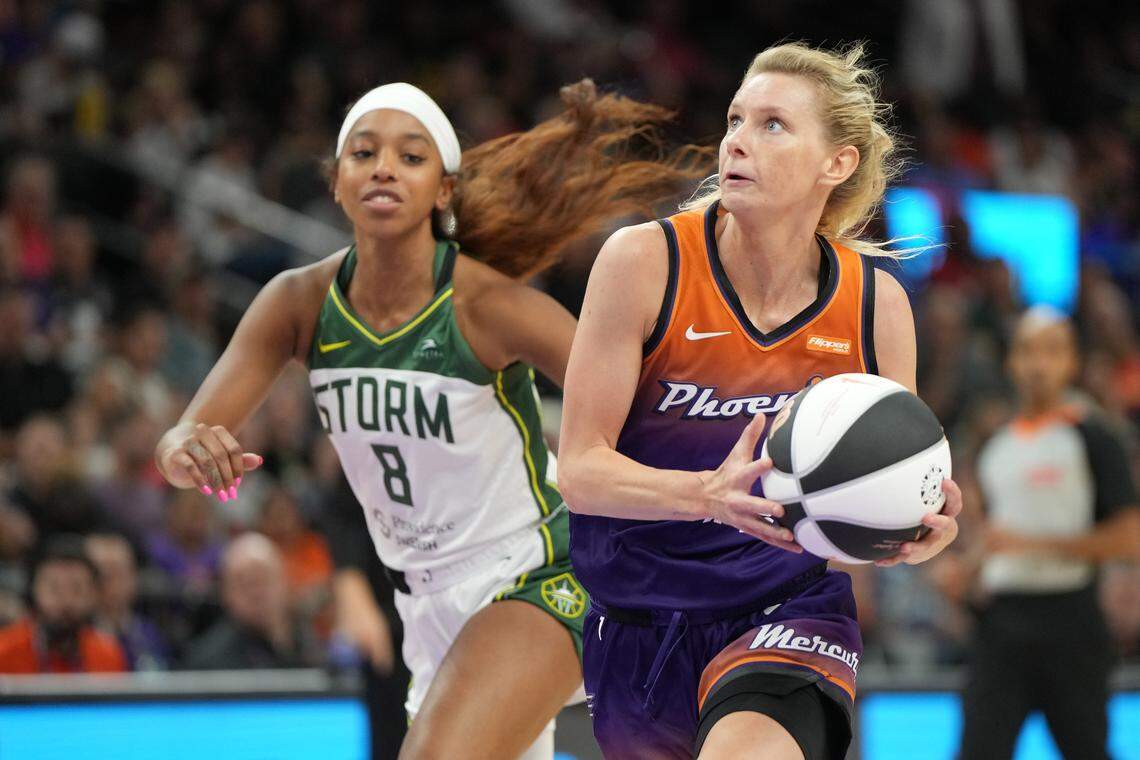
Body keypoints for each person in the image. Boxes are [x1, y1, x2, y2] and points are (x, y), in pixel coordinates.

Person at [155, 80, 705, 758]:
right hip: (423, 605)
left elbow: (649, 406)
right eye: (364, 152)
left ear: (443, 191)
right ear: (336, 182)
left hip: (540, 571)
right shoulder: (298, 303)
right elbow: (183, 434)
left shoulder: (487, 306)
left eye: (410, 157)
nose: (384, 166)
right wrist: (184, 450)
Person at [557, 42, 962, 760]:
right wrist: (706, 494)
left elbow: (888, 474)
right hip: (637, 619)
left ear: (835, 164)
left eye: (773, 124)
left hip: (787, 609)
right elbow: (581, 474)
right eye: (736, 119)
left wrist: (911, 527)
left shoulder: (875, 306)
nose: (737, 140)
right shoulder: (645, 264)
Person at [956, 307, 1140, 760]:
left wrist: (1032, 545)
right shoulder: (995, 445)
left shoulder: (1095, 436)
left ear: (1072, 361)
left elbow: (1129, 537)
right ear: (1011, 362)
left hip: (1071, 619)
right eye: (1028, 351)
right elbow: (995, 534)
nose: (1039, 364)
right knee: (978, 750)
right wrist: (968, 568)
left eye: (1053, 351)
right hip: (1001, 622)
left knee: (1086, 749)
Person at [182, 532, 318, 670]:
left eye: (264, 578)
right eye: (245, 583)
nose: (256, 593)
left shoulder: (310, 643)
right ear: (225, 593)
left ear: (285, 581)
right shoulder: (207, 664)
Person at [0, 534, 126, 673]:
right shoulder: (4, 650)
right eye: (54, 589)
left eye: (77, 589)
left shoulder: (108, 654)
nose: (66, 601)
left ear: (94, 595)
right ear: (33, 593)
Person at [85, 533, 168, 670]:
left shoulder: (150, 634)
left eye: (117, 572)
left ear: (133, 576)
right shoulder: (73, 639)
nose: (109, 582)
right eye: (101, 574)